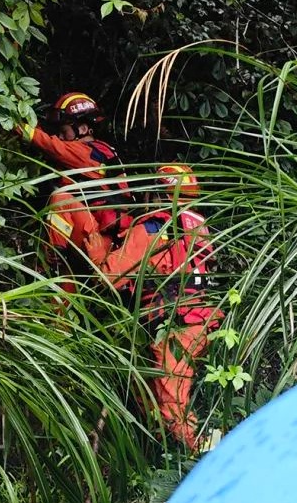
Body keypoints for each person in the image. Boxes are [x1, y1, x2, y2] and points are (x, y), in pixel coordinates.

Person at [84, 164, 223, 451]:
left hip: (175, 326)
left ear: (158, 193)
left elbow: (108, 279)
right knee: (160, 399)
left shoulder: (151, 228)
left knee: (173, 411)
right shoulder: (199, 227)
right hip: (204, 321)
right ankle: (176, 456)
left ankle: (203, 466)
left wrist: (98, 253)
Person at [18, 92, 134, 291]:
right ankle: (60, 316)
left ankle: (51, 261)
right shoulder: (104, 151)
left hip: (99, 240)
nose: (61, 136)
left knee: (61, 198)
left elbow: (46, 143)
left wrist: (12, 120)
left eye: (64, 131)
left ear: (82, 128)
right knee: (65, 287)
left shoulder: (83, 152)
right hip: (110, 241)